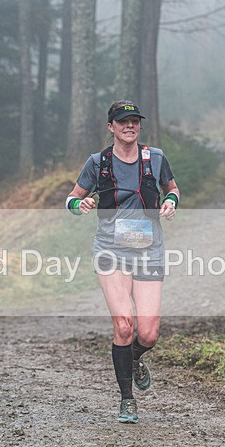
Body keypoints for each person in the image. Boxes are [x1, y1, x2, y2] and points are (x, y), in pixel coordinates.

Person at [66, 100, 179, 424]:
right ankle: (126, 399)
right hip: (110, 249)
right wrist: (81, 204)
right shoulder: (97, 162)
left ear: (139, 126)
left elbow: (172, 190)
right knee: (124, 324)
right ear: (111, 127)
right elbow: (70, 199)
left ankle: (133, 359)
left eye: (134, 121)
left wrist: (170, 203)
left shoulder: (154, 158)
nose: (129, 125)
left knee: (149, 332)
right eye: (123, 121)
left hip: (148, 248)